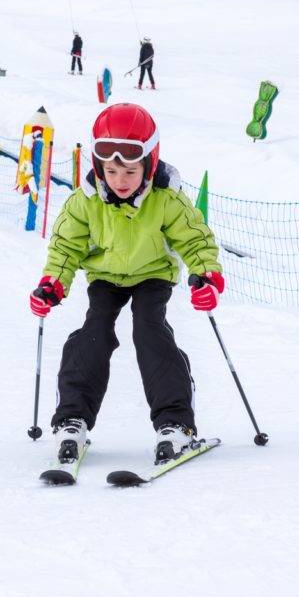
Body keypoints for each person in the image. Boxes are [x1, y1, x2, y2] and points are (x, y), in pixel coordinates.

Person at [30, 102, 223, 465]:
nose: (120, 181)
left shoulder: (166, 198)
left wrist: (205, 275)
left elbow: (194, 240)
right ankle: (72, 419)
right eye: (112, 171)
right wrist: (52, 283)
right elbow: (66, 246)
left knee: (149, 330)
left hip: (152, 274)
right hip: (105, 276)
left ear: (149, 165)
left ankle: (175, 423)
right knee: (95, 330)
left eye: (130, 172)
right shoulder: (85, 201)